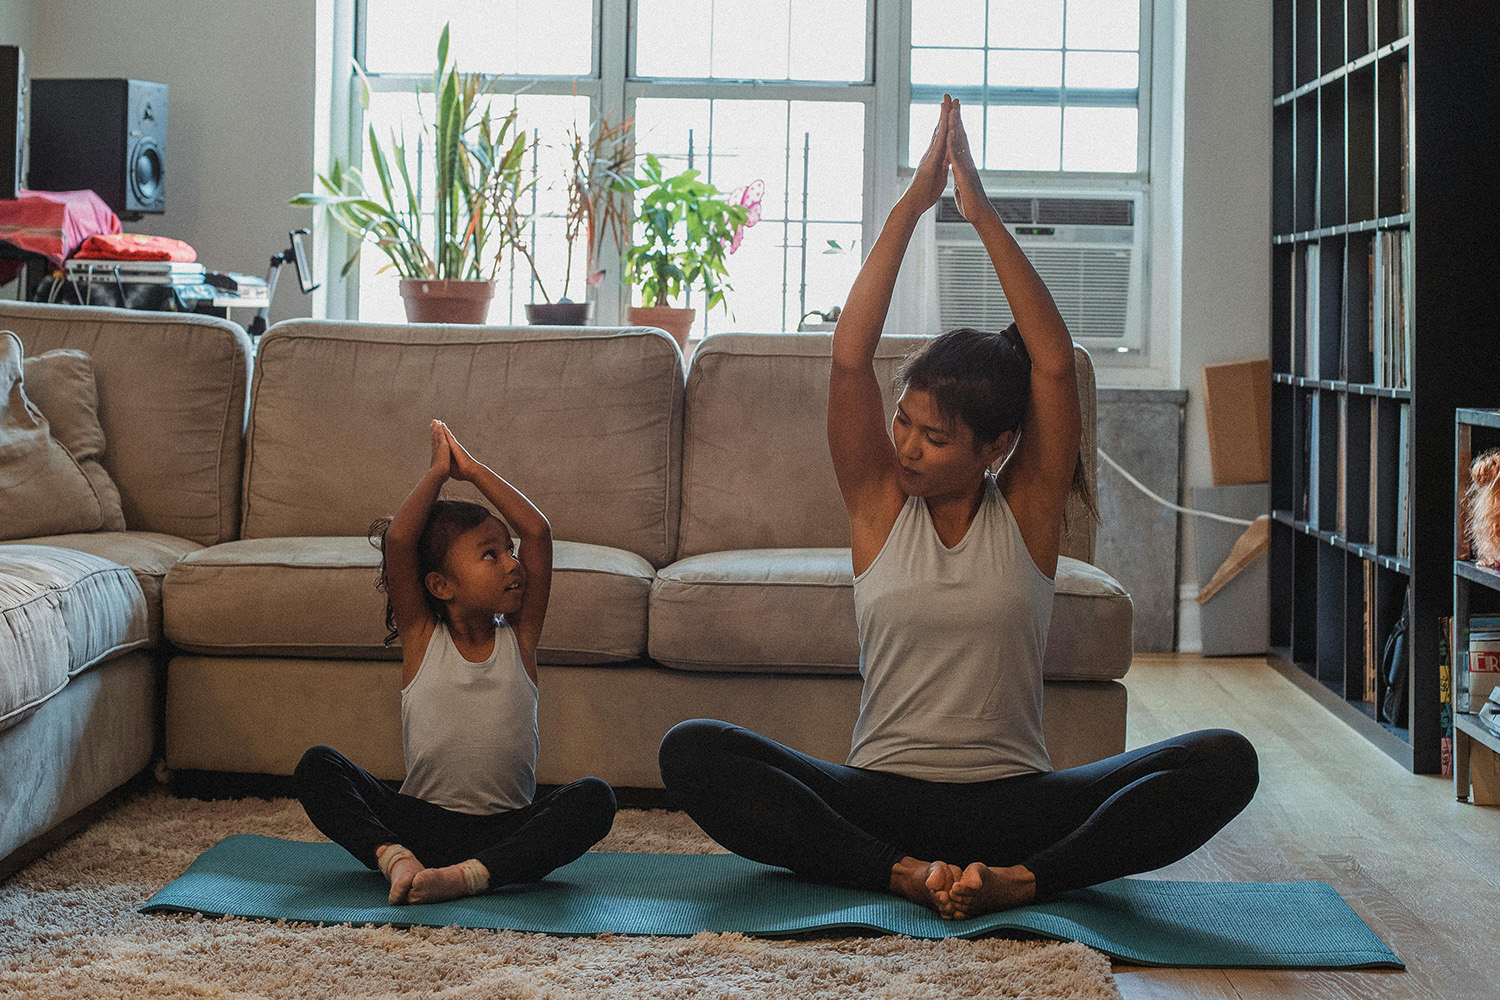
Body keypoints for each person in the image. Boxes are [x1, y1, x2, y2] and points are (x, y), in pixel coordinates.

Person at [658, 96, 1258, 920]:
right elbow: (847, 359)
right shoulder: (877, 504)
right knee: (692, 752)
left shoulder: (1028, 510)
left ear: (995, 446)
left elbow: (1052, 364)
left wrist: (979, 214)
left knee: (1226, 758)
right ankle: (899, 873)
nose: (904, 446)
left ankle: (1024, 881)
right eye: (902, 422)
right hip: (878, 796)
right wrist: (912, 205)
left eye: (932, 438)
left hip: (1016, 805)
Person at [293, 419, 616, 905]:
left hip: (508, 829)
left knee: (594, 799)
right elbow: (400, 542)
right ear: (441, 586)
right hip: (420, 823)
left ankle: (468, 876)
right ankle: (395, 859)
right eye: (490, 555)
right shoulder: (423, 638)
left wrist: (472, 470)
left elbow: (538, 532)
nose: (512, 564)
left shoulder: (521, 639)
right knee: (318, 766)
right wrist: (436, 475)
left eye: (508, 551)